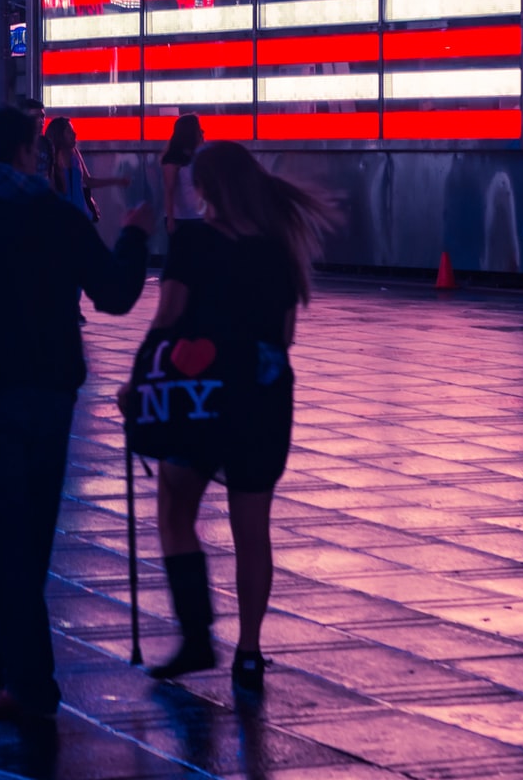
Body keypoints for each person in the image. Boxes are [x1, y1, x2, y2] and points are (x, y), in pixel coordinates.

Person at [0, 107, 151, 724]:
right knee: (28, 539)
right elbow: (117, 295)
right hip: (49, 393)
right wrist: (133, 236)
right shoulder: (58, 218)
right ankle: (11, 668)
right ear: (26, 152)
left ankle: (28, 683)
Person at [135, 142, 335, 694]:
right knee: (253, 528)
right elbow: (286, 335)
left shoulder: (193, 240)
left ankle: (197, 635)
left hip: (201, 394)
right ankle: (249, 651)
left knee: (176, 506)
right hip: (265, 394)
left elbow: (168, 317)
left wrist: (139, 382)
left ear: (207, 188)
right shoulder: (279, 248)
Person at [41, 117, 96, 220]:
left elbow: (86, 181)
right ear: (60, 136)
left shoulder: (74, 154)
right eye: (69, 132)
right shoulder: (52, 158)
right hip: (67, 214)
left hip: (79, 213)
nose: (74, 135)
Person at [160, 112, 205, 227]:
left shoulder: (198, 156)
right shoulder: (173, 159)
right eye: (198, 129)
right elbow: (169, 190)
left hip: (200, 216)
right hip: (181, 218)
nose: (202, 132)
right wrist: (170, 219)